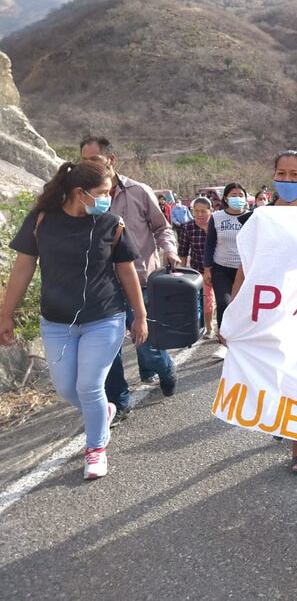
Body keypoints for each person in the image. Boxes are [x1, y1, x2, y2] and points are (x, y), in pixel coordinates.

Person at [0, 161, 145, 480]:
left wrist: (141, 315)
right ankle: (104, 411)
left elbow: (126, 271)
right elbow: (23, 268)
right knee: (67, 388)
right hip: (56, 322)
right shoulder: (41, 220)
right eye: (103, 193)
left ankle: (96, 448)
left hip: (105, 317)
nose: (108, 198)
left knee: (89, 386)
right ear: (80, 193)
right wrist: (5, 314)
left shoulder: (111, 223)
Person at [230, 149, 297, 475]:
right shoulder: (261, 218)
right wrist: (235, 309)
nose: (287, 180)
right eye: (281, 174)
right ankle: (285, 418)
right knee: (274, 370)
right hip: (268, 309)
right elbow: (247, 266)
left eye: (295, 175)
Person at [80, 137, 179, 418]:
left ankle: (166, 369)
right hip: (102, 286)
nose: (88, 166)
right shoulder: (81, 197)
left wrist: (170, 251)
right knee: (108, 350)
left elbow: (162, 228)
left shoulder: (138, 191)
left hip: (140, 280)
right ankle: (120, 402)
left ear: (110, 160)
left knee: (146, 347)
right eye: (83, 161)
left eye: (94, 160)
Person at [204, 182, 249, 360]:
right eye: (233, 195)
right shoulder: (217, 217)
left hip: (244, 270)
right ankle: (224, 342)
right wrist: (207, 268)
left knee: (243, 306)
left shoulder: (252, 217)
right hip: (221, 268)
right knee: (224, 303)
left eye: (241, 195)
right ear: (225, 198)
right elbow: (210, 244)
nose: (237, 198)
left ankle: (243, 340)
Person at [178, 197, 215, 339]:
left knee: (224, 300)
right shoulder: (188, 227)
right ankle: (209, 326)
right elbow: (183, 252)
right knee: (206, 300)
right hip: (199, 270)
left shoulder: (217, 225)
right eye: (196, 211)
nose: (199, 214)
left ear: (210, 211)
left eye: (203, 211)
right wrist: (181, 272)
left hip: (220, 270)